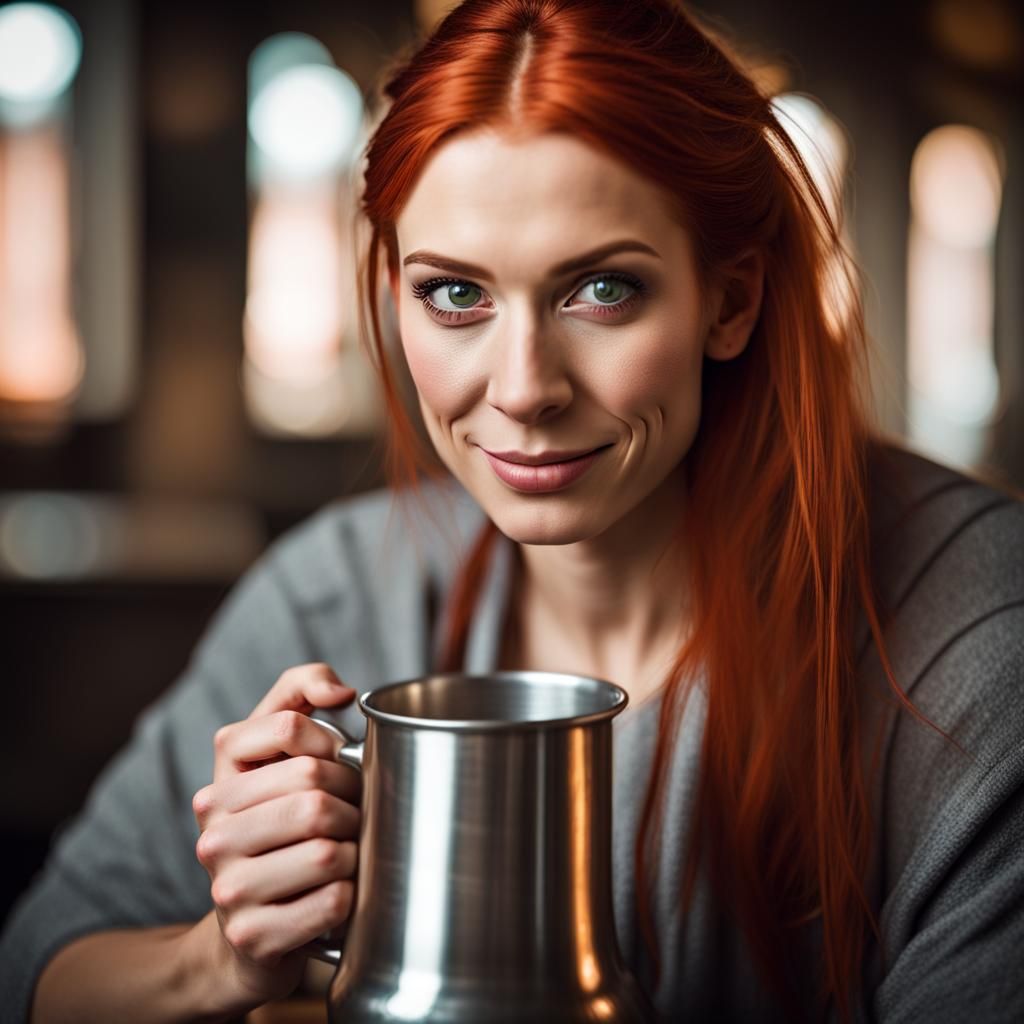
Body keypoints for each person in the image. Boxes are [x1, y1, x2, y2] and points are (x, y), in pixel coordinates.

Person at [3, 0, 1023, 1021]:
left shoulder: (976, 642)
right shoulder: (341, 593)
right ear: (395, 293)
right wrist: (215, 963)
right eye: (456, 296)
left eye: (602, 290)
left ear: (731, 303)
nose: (524, 387)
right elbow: (39, 968)